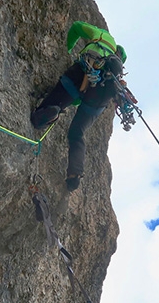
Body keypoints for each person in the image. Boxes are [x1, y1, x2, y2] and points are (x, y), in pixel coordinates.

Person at [30, 21, 128, 191]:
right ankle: (74, 174)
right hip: (99, 99)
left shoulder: (101, 35)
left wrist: (68, 49)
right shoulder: (115, 75)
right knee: (77, 133)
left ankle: (50, 112)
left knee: (53, 105)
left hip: (81, 74)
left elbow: (76, 27)